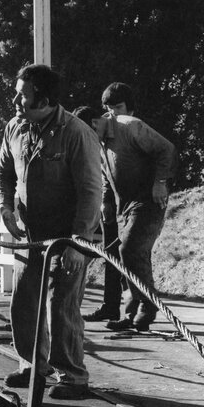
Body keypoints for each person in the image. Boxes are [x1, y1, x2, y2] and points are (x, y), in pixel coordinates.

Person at [0, 64, 102, 400]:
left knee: (62, 307)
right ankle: (31, 365)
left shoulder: (76, 133)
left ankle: (72, 376)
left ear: (45, 99)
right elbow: (2, 173)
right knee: (24, 301)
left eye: (22, 95)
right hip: (30, 235)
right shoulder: (15, 128)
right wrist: (5, 206)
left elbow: (90, 192)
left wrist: (76, 242)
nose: (15, 100)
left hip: (67, 236)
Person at [92, 82, 175, 332]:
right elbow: (105, 172)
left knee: (130, 250)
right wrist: (106, 201)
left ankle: (147, 308)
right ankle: (130, 313)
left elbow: (167, 149)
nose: (114, 113)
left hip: (148, 201)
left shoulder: (132, 126)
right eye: (109, 108)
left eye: (118, 107)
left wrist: (161, 182)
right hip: (123, 206)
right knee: (123, 255)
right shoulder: (101, 135)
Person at [72, 105, 123, 325]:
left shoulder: (123, 133)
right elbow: (102, 173)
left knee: (127, 254)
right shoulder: (94, 142)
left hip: (131, 201)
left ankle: (137, 312)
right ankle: (111, 307)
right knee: (111, 256)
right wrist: (105, 201)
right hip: (111, 201)